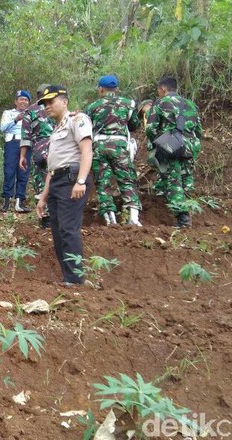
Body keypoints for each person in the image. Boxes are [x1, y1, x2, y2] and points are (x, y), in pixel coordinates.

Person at [35, 85, 95, 287]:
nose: (47, 106)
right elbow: (52, 168)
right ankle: (69, 276)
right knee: (58, 229)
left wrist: (80, 180)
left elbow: (86, 151)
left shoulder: (77, 120)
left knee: (69, 228)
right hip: (57, 180)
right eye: (44, 104)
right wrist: (43, 197)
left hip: (72, 178)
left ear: (64, 101)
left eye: (51, 102)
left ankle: (75, 278)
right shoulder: (56, 129)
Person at [83, 75, 143, 226]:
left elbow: (87, 128)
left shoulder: (92, 107)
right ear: (116, 89)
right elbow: (134, 125)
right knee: (127, 179)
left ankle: (110, 218)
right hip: (120, 146)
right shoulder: (128, 104)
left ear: (100, 89)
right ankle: (133, 217)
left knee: (103, 181)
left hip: (99, 146)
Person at [145, 77, 202, 228]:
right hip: (190, 146)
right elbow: (199, 130)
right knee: (186, 178)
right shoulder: (191, 104)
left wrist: (158, 142)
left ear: (163, 89)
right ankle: (191, 209)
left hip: (171, 147)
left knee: (173, 181)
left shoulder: (161, 103)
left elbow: (150, 129)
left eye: (158, 91)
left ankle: (182, 218)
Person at [20, 84, 54, 228]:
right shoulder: (57, 108)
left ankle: (46, 219)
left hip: (39, 149)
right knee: (58, 180)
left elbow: (25, 136)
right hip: (58, 148)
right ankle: (58, 216)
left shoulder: (30, 110)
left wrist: (22, 156)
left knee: (42, 181)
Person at [0, 90, 32, 213]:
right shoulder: (8, 113)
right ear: (16, 101)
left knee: (23, 172)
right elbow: (2, 128)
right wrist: (16, 119)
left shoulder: (31, 114)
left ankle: (20, 201)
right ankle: (6, 200)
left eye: (26, 100)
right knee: (9, 171)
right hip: (12, 143)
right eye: (21, 99)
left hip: (26, 143)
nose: (23, 102)